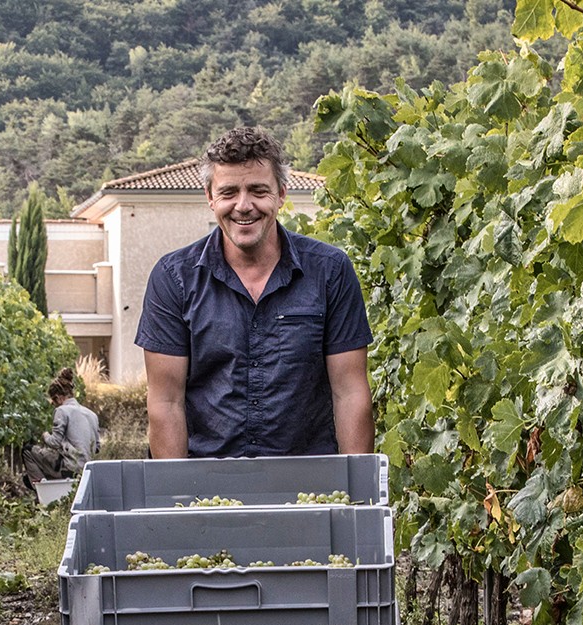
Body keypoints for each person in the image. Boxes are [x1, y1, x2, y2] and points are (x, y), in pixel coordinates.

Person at [136, 126, 374, 459]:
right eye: (229, 192)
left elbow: (349, 394)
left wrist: (354, 497)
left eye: (258, 191)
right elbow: (166, 402)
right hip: (207, 488)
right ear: (210, 197)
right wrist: (179, 504)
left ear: (281, 194)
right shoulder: (174, 278)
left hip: (310, 486)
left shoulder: (330, 271)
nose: (243, 205)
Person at [22, 367, 100, 485]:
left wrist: (45, 435)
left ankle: (44, 492)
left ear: (58, 397)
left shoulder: (62, 411)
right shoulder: (92, 415)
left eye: (53, 401)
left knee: (27, 451)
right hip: (86, 469)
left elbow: (55, 442)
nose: (53, 404)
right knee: (28, 478)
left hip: (69, 467)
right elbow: (97, 447)